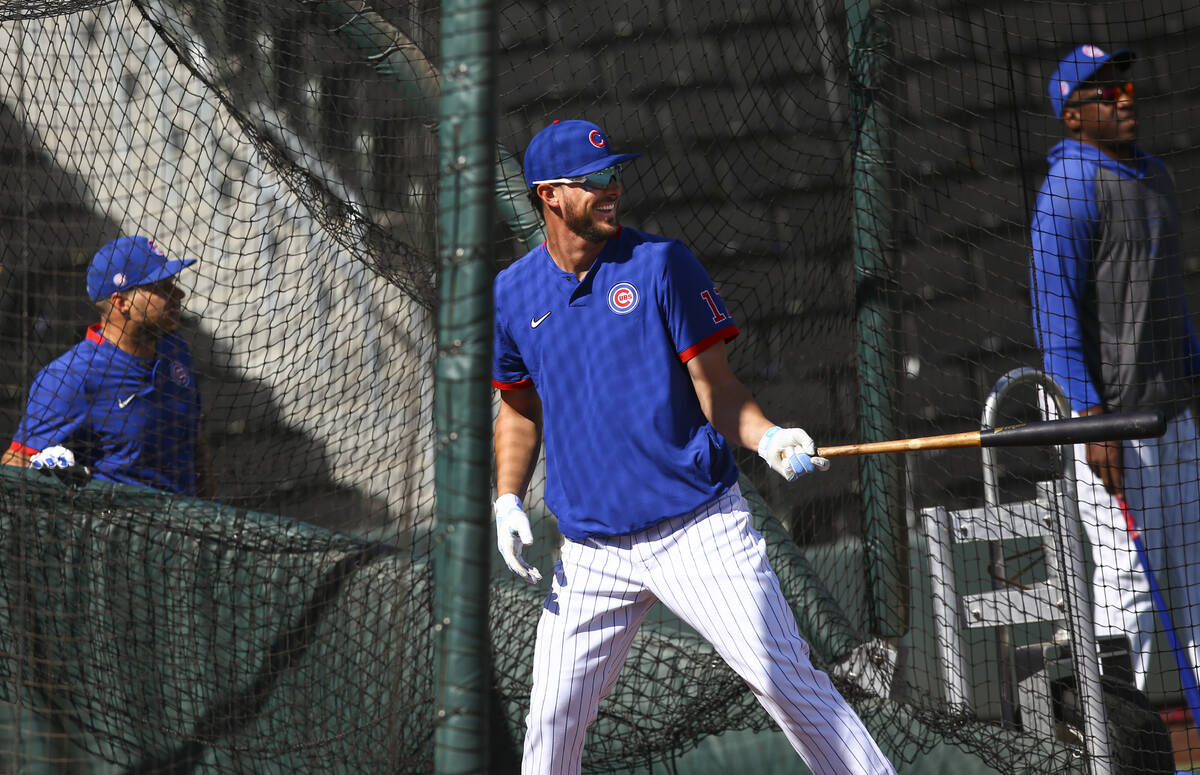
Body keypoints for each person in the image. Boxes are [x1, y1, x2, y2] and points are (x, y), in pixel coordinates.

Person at [491, 120, 895, 775]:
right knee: (552, 720)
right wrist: (508, 498)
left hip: (697, 529)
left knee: (783, 678)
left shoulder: (661, 264)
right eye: (593, 181)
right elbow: (517, 408)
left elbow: (719, 390)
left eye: (614, 175)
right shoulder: (513, 292)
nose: (611, 189)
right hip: (592, 550)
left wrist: (769, 437)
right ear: (549, 195)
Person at [1030, 44, 1200, 692]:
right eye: (1105, 92)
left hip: (1170, 410)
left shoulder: (1155, 175)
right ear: (1073, 117)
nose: (1123, 97)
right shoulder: (1067, 190)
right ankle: (1116, 738)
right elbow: (1055, 320)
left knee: (1193, 571)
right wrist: (1089, 419)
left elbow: (1167, 300)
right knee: (1130, 577)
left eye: (1124, 86)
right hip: (1108, 420)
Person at [2, 235, 215, 499]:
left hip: (192, 527)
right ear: (121, 303)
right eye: (161, 288)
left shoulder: (176, 350)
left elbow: (197, 444)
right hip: (122, 534)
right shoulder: (70, 377)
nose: (178, 294)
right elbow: (14, 465)